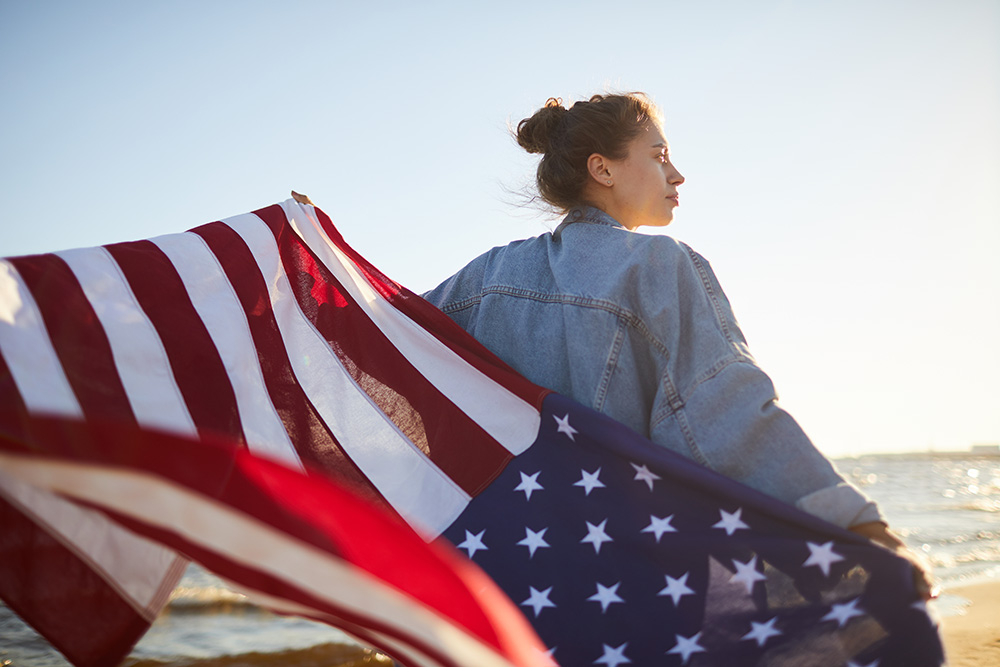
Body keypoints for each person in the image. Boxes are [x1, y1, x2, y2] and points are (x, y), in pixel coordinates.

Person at [413, 92, 934, 599]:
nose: (677, 174)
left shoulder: (483, 278)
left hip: (499, 582)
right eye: (659, 156)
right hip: (619, 583)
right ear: (603, 169)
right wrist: (856, 529)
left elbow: (383, 343)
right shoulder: (657, 265)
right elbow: (721, 407)